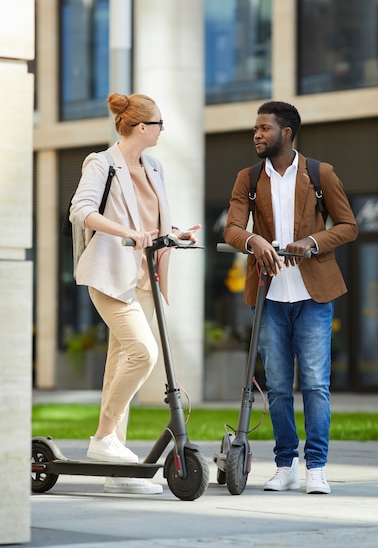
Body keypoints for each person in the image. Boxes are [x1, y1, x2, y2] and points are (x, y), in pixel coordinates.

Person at [224, 100, 358, 494]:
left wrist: (313, 242)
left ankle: (317, 466)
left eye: (264, 128)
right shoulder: (247, 179)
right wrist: (253, 240)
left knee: (316, 384)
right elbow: (232, 227)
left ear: (286, 132)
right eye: (255, 129)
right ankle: (286, 464)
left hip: (315, 297)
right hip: (269, 298)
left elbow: (348, 226)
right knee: (279, 387)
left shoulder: (321, 173)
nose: (257, 135)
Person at [70, 92, 200, 495]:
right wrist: (128, 234)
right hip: (110, 276)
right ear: (141, 127)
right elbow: (81, 211)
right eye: (159, 123)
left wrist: (172, 235)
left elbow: (151, 221)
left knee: (118, 368)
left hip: (147, 278)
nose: (163, 129)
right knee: (144, 353)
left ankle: (116, 472)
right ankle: (103, 437)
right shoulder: (101, 162)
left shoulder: (154, 165)